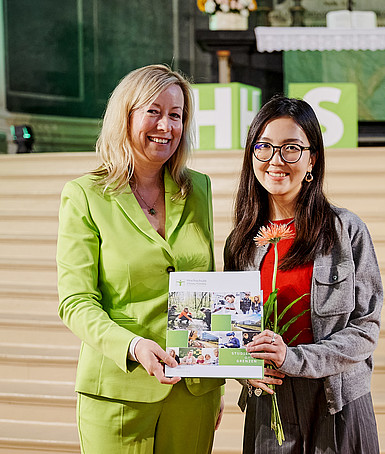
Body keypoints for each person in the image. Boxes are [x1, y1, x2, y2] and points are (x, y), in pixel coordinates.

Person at [57, 64, 224, 454]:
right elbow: (75, 302)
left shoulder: (198, 188)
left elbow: (208, 282)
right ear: (125, 115)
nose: (166, 126)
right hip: (117, 391)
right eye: (154, 111)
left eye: (177, 115)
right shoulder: (85, 195)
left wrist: (217, 376)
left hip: (193, 391)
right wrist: (133, 347)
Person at [224, 96, 383, 453]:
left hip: (337, 402)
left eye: (291, 148)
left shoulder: (346, 231)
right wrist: (241, 369)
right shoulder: (240, 243)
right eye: (264, 147)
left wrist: (293, 359)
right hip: (270, 405)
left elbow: (365, 329)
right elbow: (229, 331)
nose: (276, 160)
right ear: (251, 156)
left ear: (312, 159)